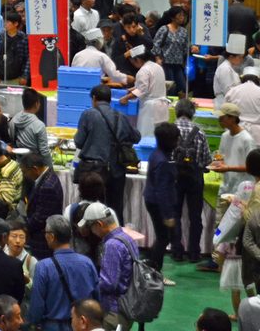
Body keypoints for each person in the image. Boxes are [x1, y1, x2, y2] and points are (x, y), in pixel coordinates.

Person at [73, 84, 140, 224]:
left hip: (94, 171)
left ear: (94, 98)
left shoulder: (88, 114)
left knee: (90, 210)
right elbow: (136, 137)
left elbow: (79, 142)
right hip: (116, 170)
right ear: (110, 99)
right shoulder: (120, 117)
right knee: (115, 210)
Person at [27, 215, 99, 331]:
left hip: (53, 326)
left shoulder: (44, 266)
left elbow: (37, 305)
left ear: (51, 236)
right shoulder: (87, 263)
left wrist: (33, 323)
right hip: (83, 325)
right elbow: (96, 296)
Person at [79, 202, 138, 331]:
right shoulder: (128, 238)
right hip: (128, 306)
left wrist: (89, 283)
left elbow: (109, 284)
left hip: (114, 312)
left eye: (91, 228)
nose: (92, 232)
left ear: (99, 224)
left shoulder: (112, 245)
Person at [173, 98, 212, 262]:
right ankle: (194, 252)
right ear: (192, 113)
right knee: (195, 217)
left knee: (175, 215)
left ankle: (177, 251)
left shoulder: (170, 130)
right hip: (195, 177)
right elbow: (207, 160)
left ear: (177, 111)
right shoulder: (200, 132)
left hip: (175, 178)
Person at [142, 121, 180, 280]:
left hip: (152, 200)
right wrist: (168, 215)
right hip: (158, 204)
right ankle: (155, 274)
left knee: (162, 237)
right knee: (163, 238)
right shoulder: (163, 161)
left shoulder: (156, 154)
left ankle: (149, 265)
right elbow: (162, 190)